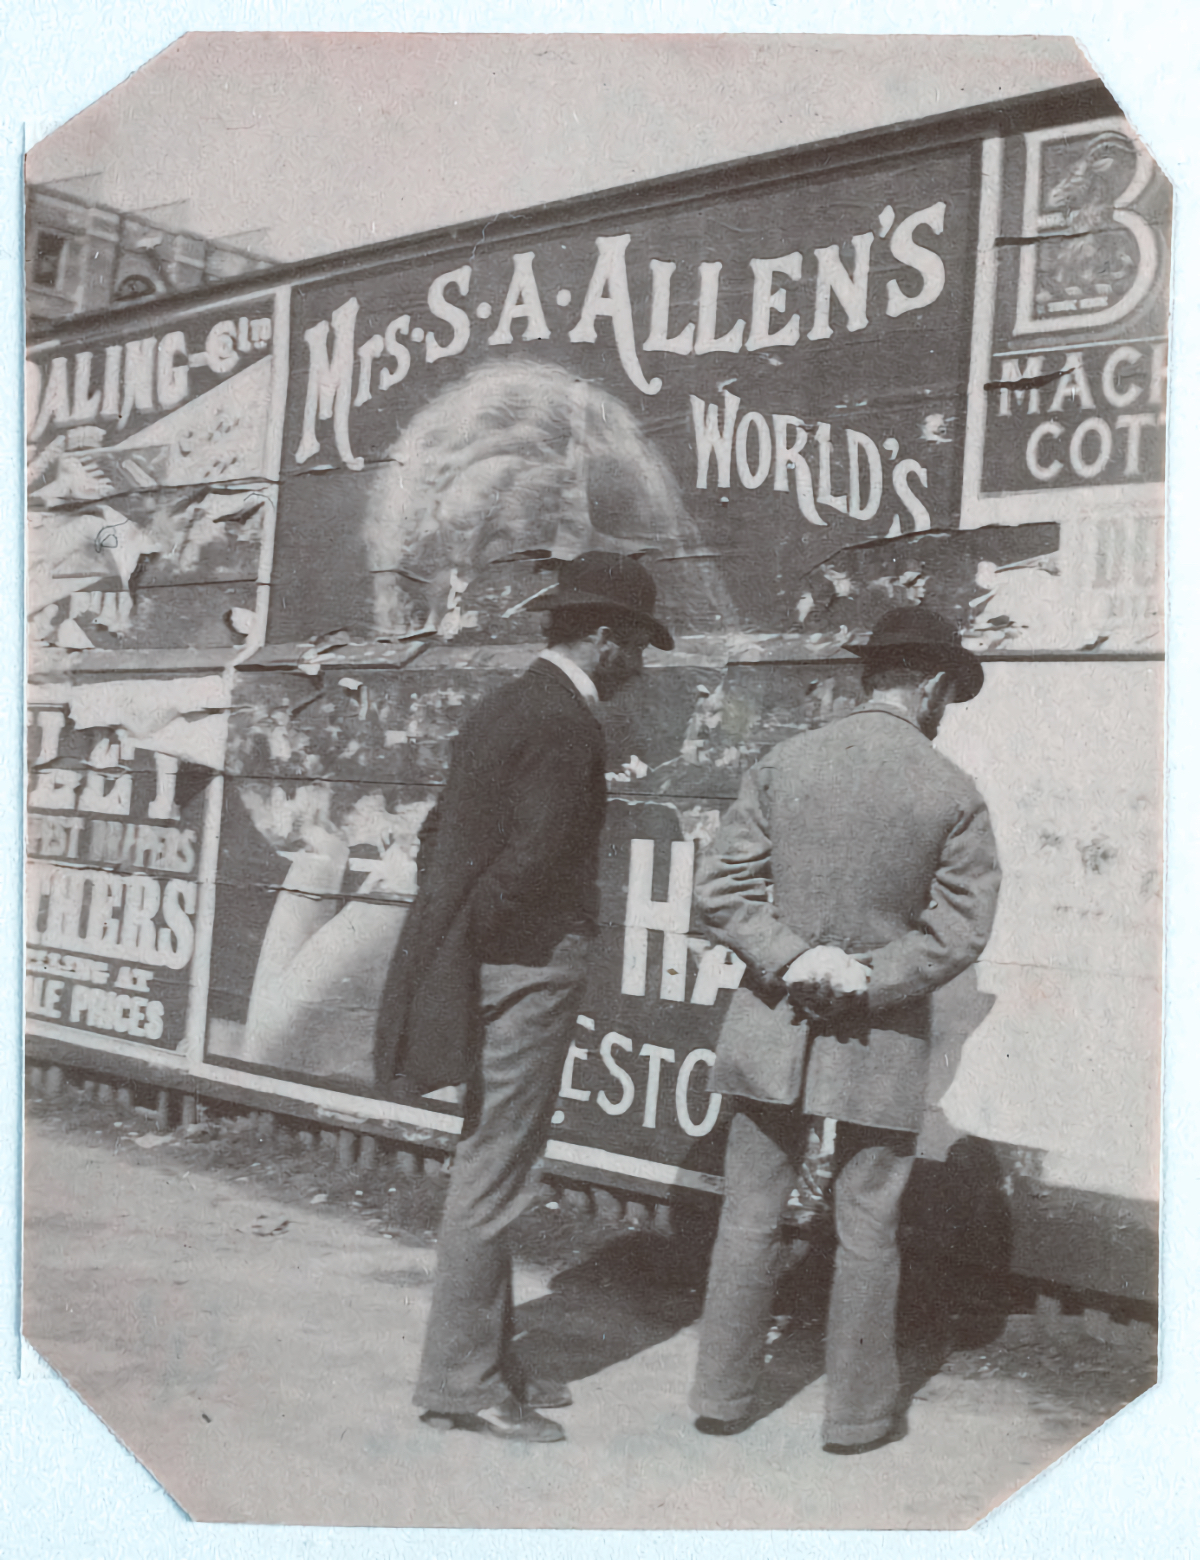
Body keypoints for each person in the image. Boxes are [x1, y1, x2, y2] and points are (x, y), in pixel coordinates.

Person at [375, 551, 673, 1443]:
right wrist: (493, 936)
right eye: (638, 648)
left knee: (488, 1156)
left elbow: (439, 835)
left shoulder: (507, 705)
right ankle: (462, 1383)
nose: (641, 669)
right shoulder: (568, 724)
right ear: (606, 639)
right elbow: (535, 858)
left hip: (487, 960)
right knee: (495, 1170)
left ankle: (490, 1356)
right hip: (527, 966)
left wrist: (461, 929)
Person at [689, 606, 1001, 1453]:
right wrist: (869, 976)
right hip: (882, 1032)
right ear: (932, 684)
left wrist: (793, 961)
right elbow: (962, 930)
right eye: (947, 695)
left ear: (873, 675)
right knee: (868, 1224)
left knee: (749, 1211)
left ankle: (720, 1397)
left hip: (771, 1019)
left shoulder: (783, 763)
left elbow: (720, 893)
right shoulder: (952, 791)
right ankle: (857, 1417)